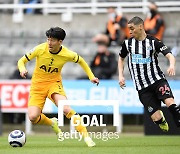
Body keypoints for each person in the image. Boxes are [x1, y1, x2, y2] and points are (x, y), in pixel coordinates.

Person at [17, 27, 99, 147]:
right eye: (48, 39)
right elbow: (21, 61)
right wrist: (22, 69)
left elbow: (81, 61)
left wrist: (91, 76)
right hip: (37, 86)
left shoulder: (67, 53)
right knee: (33, 117)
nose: (49, 43)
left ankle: (86, 137)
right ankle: (52, 123)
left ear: (60, 42)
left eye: (52, 40)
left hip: (54, 84)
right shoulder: (40, 49)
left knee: (66, 108)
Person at [118, 16, 180, 132]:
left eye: (132, 28)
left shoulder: (153, 41)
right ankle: (161, 120)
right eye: (129, 29)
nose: (130, 31)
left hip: (157, 80)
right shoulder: (127, 44)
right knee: (156, 117)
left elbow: (169, 55)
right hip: (142, 87)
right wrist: (121, 76)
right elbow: (121, 58)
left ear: (140, 27)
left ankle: (178, 119)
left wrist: (171, 65)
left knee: (170, 101)